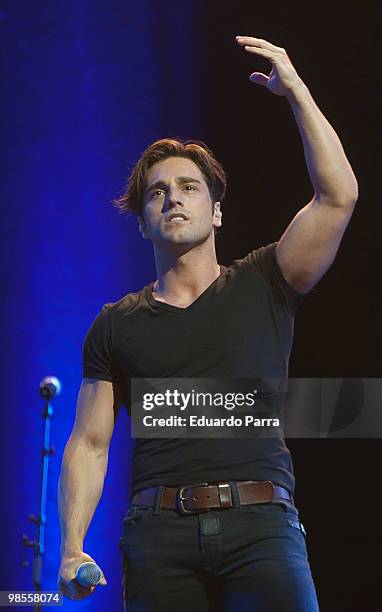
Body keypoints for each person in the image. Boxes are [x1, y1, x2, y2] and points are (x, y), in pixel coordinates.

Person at [57, 35, 358, 611]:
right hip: (157, 537)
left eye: (189, 188)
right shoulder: (114, 324)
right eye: (157, 193)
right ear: (143, 223)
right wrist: (72, 547)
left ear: (216, 210)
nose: (173, 199)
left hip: (262, 529)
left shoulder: (266, 280)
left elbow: (338, 196)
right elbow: (91, 443)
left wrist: (294, 89)